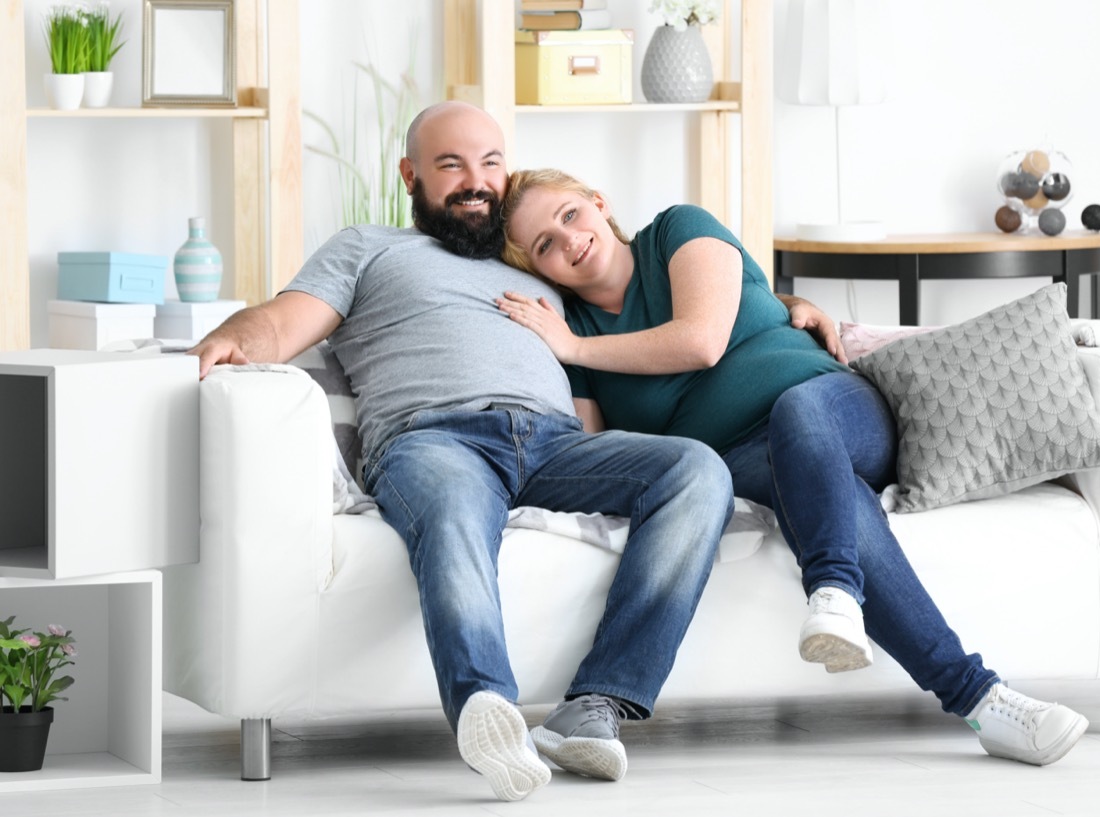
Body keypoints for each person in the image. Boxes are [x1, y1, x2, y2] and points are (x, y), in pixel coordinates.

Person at [188, 102, 739, 802]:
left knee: (695, 468)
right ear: (411, 175)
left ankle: (595, 705)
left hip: (552, 443)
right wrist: (234, 336)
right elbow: (279, 321)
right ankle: (485, 705)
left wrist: (791, 306)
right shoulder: (368, 247)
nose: (475, 181)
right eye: (451, 165)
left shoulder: (538, 266)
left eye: (490, 164)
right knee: (450, 509)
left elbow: (637, 304)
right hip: (431, 438)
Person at [496, 167, 1090, 767]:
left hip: (837, 409)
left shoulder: (678, 231)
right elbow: (603, 452)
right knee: (838, 500)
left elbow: (701, 339)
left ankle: (833, 587)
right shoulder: (573, 334)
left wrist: (574, 348)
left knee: (798, 410)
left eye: (569, 215)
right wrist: (568, 356)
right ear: (538, 268)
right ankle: (985, 702)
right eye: (544, 244)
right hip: (747, 460)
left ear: (598, 203)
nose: (567, 240)